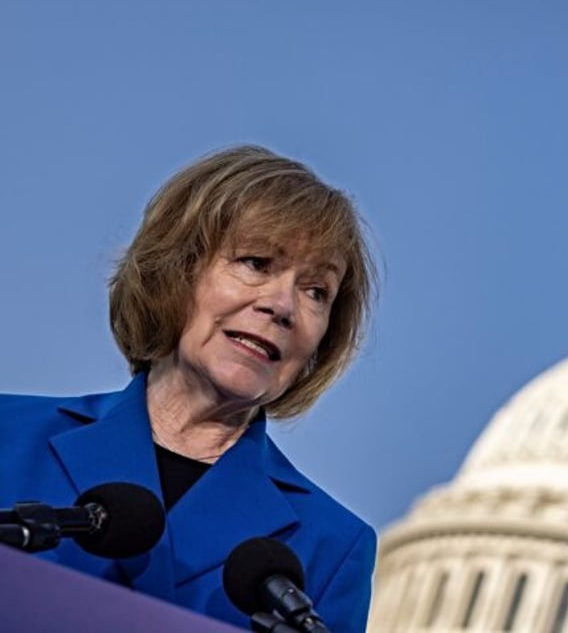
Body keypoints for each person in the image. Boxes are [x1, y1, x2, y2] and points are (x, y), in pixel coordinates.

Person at [0, 145, 378, 632]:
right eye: (257, 262)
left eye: (316, 292)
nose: (283, 305)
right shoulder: (9, 436)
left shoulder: (333, 547)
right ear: (178, 272)